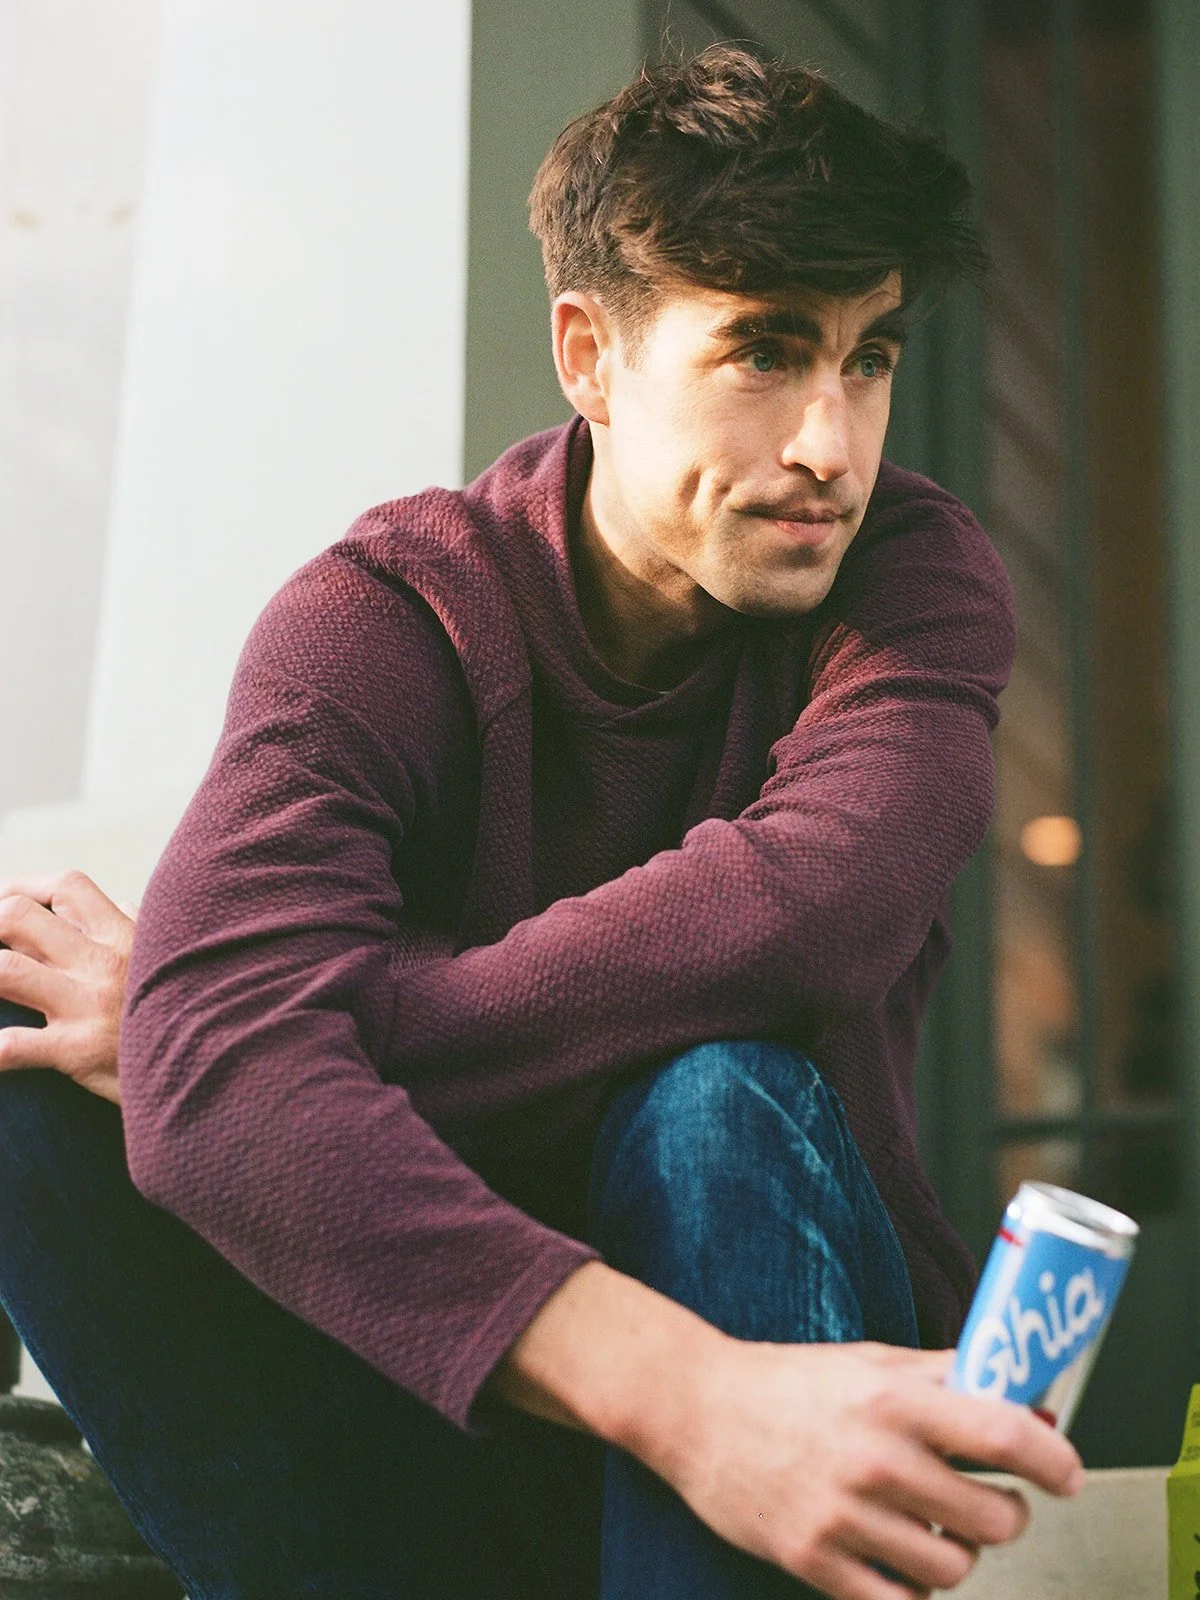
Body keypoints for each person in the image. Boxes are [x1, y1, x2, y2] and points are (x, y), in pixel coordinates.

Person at [0, 45, 1082, 1600]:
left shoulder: (911, 578)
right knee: (37, 1078)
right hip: (450, 1383)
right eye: (764, 355)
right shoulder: (383, 618)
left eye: (869, 359)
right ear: (589, 353)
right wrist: (687, 1398)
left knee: (713, 1091)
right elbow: (230, 1079)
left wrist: (236, 1020)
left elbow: (814, 910)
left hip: (791, 1340)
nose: (833, 446)